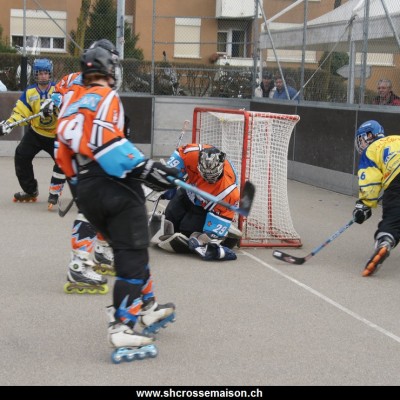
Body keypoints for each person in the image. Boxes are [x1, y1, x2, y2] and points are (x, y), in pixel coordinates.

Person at [56, 45, 180, 356]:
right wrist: (147, 168)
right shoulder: (107, 96)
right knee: (132, 259)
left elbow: (63, 154)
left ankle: (148, 307)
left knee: (130, 249)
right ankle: (122, 327)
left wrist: (81, 189)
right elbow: (106, 145)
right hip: (116, 188)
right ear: (109, 70)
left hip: (87, 188)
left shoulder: (72, 101)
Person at [52, 40, 120, 293]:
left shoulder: (82, 80)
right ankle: (79, 266)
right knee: (93, 207)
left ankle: (100, 251)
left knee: (103, 205)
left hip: (74, 147)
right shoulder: (93, 86)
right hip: (79, 149)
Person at [153, 144, 240, 261]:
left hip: (205, 206)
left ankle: (227, 233)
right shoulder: (191, 153)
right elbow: (177, 158)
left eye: (212, 176)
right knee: (170, 219)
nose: (208, 179)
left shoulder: (228, 193)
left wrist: (206, 239)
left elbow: (223, 216)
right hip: (189, 190)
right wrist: (168, 180)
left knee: (186, 230)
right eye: (205, 174)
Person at [0, 58, 66, 209]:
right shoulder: (29, 92)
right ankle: (30, 190)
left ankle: (79, 192)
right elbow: (20, 112)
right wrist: (9, 123)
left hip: (56, 135)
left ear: (50, 74)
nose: (43, 76)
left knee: (65, 162)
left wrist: (55, 108)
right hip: (36, 133)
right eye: (40, 73)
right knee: (21, 155)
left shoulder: (58, 90)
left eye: (45, 73)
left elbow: (67, 108)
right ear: (35, 75)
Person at [352, 120, 400, 277]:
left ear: (368, 136)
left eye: (361, 139)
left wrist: (364, 206)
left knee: (393, 217)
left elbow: (370, 183)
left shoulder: (371, 150)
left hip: (397, 177)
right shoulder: (396, 138)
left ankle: (385, 240)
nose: (360, 144)